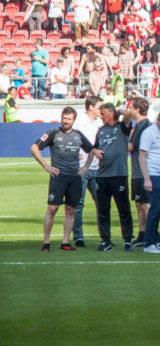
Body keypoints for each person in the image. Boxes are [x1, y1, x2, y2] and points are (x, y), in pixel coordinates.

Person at [31, 107, 96, 251]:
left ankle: (65, 243)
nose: (66, 121)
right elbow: (34, 148)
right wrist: (46, 166)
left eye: (69, 119)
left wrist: (85, 166)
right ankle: (46, 242)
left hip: (74, 177)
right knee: (52, 208)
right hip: (58, 177)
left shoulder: (78, 135)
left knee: (70, 210)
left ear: (73, 120)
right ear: (61, 118)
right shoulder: (53, 133)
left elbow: (92, 150)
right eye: (64, 118)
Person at [82, 103, 134, 252]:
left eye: (103, 113)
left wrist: (118, 110)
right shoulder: (101, 130)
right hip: (102, 176)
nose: (101, 116)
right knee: (103, 210)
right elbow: (95, 148)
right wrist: (96, 152)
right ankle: (105, 240)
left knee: (123, 209)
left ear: (111, 114)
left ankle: (127, 240)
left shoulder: (123, 127)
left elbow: (129, 114)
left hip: (119, 175)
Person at [139, 109, 160, 254]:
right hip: (153, 175)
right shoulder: (148, 132)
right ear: (158, 119)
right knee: (154, 209)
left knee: (159, 211)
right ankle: (148, 244)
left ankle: (154, 241)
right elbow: (142, 155)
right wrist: (146, 178)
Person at [72, 96, 103, 248]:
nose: (100, 110)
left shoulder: (99, 122)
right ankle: (78, 236)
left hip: (97, 168)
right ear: (91, 107)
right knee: (78, 204)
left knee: (101, 203)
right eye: (99, 107)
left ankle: (104, 236)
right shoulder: (79, 122)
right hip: (81, 168)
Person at [128, 97, 152, 248]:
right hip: (137, 170)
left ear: (137, 109)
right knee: (139, 203)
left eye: (131, 108)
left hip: (142, 171)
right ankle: (142, 234)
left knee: (145, 205)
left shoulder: (142, 125)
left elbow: (130, 147)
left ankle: (151, 234)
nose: (129, 111)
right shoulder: (140, 125)